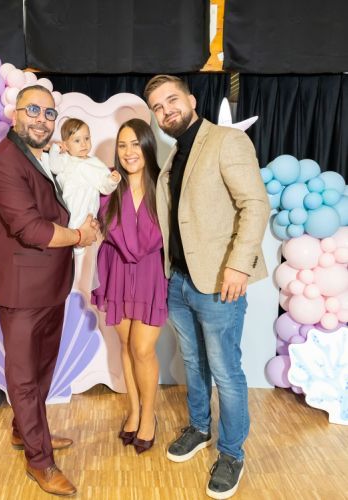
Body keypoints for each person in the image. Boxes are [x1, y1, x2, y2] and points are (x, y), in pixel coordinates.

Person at [144, 75, 270, 499]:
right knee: (193, 364)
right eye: (158, 107)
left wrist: (238, 265)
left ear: (192, 100)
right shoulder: (175, 154)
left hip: (219, 283)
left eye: (172, 100)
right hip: (179, 281)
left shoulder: (226, 141)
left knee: (226, 372)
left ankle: (231, 453)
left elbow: (255, 204)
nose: (166, 110)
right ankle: (199, 428)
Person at [0, 84, 98, 497]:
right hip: (21, 289)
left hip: (51, 285)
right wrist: (80, 236)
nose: (41, 119)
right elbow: (31, 229)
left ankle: (24, 431)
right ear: (15, 113)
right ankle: (40, 461)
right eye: (33, 110)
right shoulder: (3, 162)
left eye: (49, 114)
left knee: (44, 368)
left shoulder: (38, 156)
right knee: (24, 377)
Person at [91, 118, 168, 455]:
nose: (128, 151)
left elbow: (159, 235)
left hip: (151, 273)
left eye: (135, 144)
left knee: (142, 349)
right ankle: (134, 411)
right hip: (117, 271)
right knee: (124, 344)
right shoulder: (108, 185)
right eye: (122, 145)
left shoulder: (163, 185)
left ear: (147, 145)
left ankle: (149, 415)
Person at [49, 118, 121, 255]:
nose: (83, 144)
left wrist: (112, 180)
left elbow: (104, 185)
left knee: (86, 234)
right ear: (66, 145)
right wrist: (55, 149)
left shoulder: (95, 163)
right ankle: (71, 252)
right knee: (71, 230)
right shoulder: (65, 159)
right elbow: (54, 167)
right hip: (70, 204)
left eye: (87, 138)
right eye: (77, 140)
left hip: (88, 208)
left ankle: (78, 251)